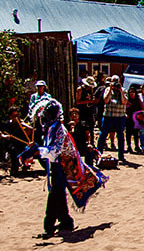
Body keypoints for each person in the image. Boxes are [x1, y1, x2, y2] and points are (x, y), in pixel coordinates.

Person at [31, 97, 105, 238]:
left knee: (54, 195)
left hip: (64, 167)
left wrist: (38, 151)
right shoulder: (51, 129)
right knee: (57, 194)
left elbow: (55, 150)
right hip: (58, 166)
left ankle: (49, 225)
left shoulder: (60, 130)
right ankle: (65, 221)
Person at [0, 105, 35, 175]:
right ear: (10, 116)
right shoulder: (7, 124)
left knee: (35, 147)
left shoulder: (22, 123)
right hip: (12, 144)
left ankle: (26, 163)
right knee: (13, 150)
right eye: (14, 116)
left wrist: (30, 129)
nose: (16, 117)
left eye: (17, 115)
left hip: (23, 144)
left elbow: (28, 132)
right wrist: (4, 136)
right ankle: (14, 169)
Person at [97, 75, 127, 162]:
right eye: (113, 81)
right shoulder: (107, 90)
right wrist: (110, 89)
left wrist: (121, 91)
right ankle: (99, 153)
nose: (115, 84)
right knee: (103, 134)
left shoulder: (124, 90)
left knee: (120, 136)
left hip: (119, 117)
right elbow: (105, 100)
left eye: (116, 81)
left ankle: (121, 155)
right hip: (108, 116)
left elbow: (124, 102)